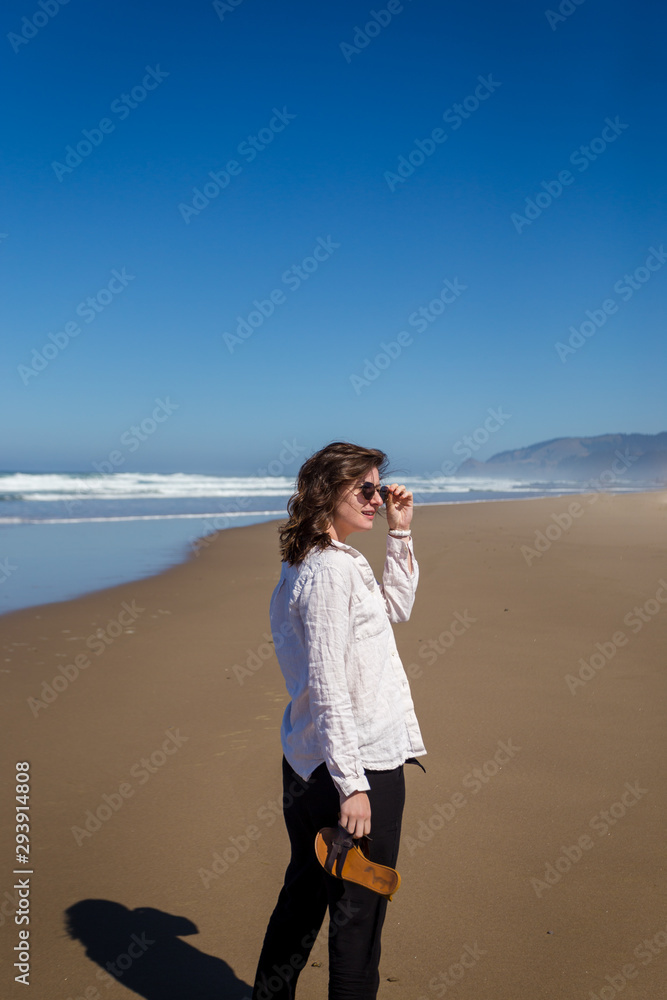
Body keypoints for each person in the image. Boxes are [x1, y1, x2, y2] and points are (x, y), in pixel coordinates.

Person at [251, 441, 426, 1000]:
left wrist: (401, 533)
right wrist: (354, 786)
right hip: (356, 767)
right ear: (328, 492)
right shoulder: (330, 571)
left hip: (310, 762)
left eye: (380, 487)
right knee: (358, 921)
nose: (378, 498)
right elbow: (328, 683)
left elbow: (396, 608)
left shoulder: (316, 560)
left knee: (303, 899)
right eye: (366, 489)